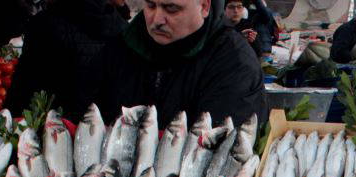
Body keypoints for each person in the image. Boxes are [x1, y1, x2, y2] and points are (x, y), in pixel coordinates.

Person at [95, 0, 267, 127]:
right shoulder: (121, 47)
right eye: (151, 5)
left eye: (171, 8)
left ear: (204, 6)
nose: (157, 19)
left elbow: (220, 147)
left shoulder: (234, 62)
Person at [6, 0, 128, 118]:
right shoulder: (120, 29)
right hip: (95, 127)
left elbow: (22, 90)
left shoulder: (44, 23)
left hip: (49, 124)